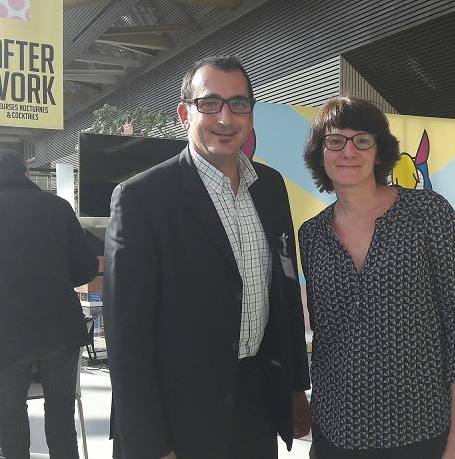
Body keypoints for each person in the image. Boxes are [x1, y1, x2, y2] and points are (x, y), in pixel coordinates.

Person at [103, 55, 311, 459]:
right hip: (179, 412)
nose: (225, 118)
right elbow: (127, 337)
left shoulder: (269, 187)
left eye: (239, 104)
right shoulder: (142, 198)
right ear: (185, 114)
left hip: (256, 403)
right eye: (210, 103)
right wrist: (149, 444)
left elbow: (284, 294)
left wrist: (294, 388)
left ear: (252, 116)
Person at [298, 96, 455, 459]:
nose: (348, 151)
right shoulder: (312, 234)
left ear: (379, 152)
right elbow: (325, 337)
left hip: (420, 426)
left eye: (362, 140)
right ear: (321, 154)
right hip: (337, 430)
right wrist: (319, 439)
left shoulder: (428, 213)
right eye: (335, 141)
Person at [0, 150, 97, 459]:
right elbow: (86, 267)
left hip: (2, 332)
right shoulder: (58, 207)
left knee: (11, 422)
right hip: (59, 329)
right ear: (26, 173)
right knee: (61, 420)